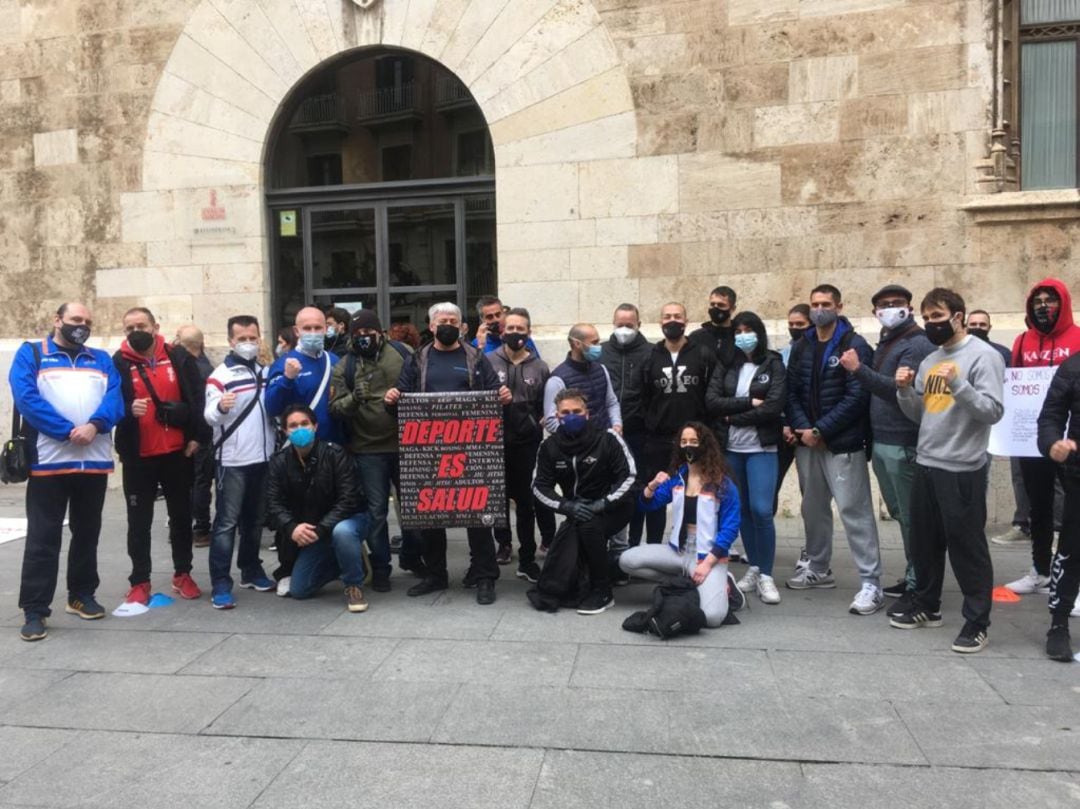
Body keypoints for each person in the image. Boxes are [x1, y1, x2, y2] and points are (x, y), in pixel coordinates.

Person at [892, 288, 1005, 654]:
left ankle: (977, 622)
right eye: (926, 318)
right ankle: (928, 606)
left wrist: (959, 383)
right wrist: (905, 392)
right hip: (927, 462)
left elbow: (992, 411)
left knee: (966, 546)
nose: (931, 325)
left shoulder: (983, 357)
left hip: (962, 468)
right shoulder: (930, 360)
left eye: (938, 317)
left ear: (958, 316)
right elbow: (922, 415)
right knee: (925, 543)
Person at [384, 302, 512, 605]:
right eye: (443, 320)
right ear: (431, 326)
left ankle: (484, 575)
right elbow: (401, 401)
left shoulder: (476, 357)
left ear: (462, 326)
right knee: (431, 512)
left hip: (472, 447)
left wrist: (502, 398)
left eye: (454, 320)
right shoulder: (417, 360)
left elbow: (493, 394)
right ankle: (436, 574)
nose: (448, 324)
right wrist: (391, 400)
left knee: (477, 511)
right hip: (428, 449)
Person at [10, 302, 123, 641]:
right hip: (49, 463)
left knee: (87, 533)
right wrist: (67, 430)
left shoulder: (101, 359)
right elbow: (27, 398)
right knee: (43, 539)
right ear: (57, 320)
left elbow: (116, 398)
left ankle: (82, 595)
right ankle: (34, 610)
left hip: (94, 461)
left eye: (87, 321)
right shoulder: (31, 353)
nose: (82, 325)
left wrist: (94, 425)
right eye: (76, 319)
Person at [784, 284, 884, 615]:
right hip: (807, 444)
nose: (819, 309)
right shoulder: (803, 345)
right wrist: (804, 430)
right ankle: (818, 567)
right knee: (813, 508)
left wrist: (821, 430)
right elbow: (792, 391)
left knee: (854, 511)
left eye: (826, 303)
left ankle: (871, 582)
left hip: (842, 443)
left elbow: (857, 396)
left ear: (839, 306)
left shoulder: (854, 345)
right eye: (814, 304)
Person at [839, 285, 934, 615]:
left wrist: (857, 370)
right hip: (883, 440)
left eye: (896, 304)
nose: (890, 309)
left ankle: (919, 583)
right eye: (883, 305)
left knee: (912, 518)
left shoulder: (916, 343)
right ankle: (913, 576)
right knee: (901, 514)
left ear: (909, 307)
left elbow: (897, 391)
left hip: (904, 441)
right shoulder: (887, 341)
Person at [113, 307, 211, 605]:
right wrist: (128, 411)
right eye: (129, 328)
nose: (135, 332)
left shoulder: (179, 357)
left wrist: (196, 436)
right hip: (138, 456)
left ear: (155, 326)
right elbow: (111, 404)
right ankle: (139, 580)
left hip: (177, 453)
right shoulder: (117, 362)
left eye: (141, 325)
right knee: (138, 521)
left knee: (181, 516)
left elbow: (198, 398)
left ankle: (183, 574)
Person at [329, 308, 416, 592]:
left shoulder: (402, 353)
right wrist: (354, 399)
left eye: (369, 333)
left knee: (413, 508)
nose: (364, 338)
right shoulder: (345, 366)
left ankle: (414, 557)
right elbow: (335, 409)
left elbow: (420, 386)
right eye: (359, 334)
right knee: (377, 512)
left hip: (405, 444)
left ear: (380, 332)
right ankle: (381, 568)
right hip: (367, 450)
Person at [620, 422, 739, 627]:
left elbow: (731, 528)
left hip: (708, 555)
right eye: (683, 442)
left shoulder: (722, 483)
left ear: (705, 445)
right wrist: (652, 485)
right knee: (627, 560)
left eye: (694, 441)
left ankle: (726, 585)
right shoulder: (678, 478)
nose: (688, 446)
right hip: (678, 550)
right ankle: (684, 581)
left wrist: (708, 564)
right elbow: (647, 505)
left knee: (711, 618)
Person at [1004, 279, 1080, 594]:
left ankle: (1071, 577)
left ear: (1063, 304)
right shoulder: (1022, 341)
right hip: (1032, 437)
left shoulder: (1077, 338)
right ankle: (1040, 569)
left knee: (1074, 511)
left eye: (1050, 300)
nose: (1043, 306)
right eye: (1038, 301)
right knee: (1038, 506)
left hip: (1071, 439)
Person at [533, 388, 637, 615]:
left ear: (587, 413)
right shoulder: (549, 447)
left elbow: (629, 477)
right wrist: (565, 506)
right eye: (565, 412)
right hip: (576, 509)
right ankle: (587, 578)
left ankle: (603, 591)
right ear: (557, 416)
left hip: (614, 507)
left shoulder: (608, 439)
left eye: (577, 411)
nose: (571, 416)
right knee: (573, 536)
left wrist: (604, 503)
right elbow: (539, 487)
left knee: (589, 526)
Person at [706, 311, 785, 604]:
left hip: (762, 448)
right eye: (737, 330)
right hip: (731, 449)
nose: (742, 335)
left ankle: (767, 574)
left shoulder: (773, 363)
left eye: (748, 329)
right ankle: (753, 567)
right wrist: (747, 404)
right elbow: (712, 402)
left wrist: (731, 417)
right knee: (741, 512)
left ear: (759, 333)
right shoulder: (726, 365)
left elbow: (773, 407)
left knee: (761, 509)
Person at [265, 404, 370, 613]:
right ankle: (350, 560)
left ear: (315, 426)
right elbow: (273, 504)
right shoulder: (279, 462)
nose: (300, 429)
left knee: (343, 532)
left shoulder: (335, 453)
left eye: (305, 423)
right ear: (285, 431)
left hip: (346, 521)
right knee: (299, 590)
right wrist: (292, 528)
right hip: (311, 530)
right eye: (293, 426)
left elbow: (348, 499)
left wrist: (321, 528)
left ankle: (353, 585)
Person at [203, 315, 277, 609]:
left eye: (253, 337)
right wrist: (220, 407)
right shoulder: (220, 375)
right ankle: (221, 582)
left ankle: (251, 569)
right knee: (226, 523)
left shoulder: (266, 370)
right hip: (232, 460)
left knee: (255, 520)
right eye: (242, 338)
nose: (248, 343)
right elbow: (208, 415)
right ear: (231, 341)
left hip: (263, 457)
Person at [639, 302, 716, 543]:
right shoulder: (650, 357)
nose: (672, 321)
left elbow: (711, 394)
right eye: (667, 316)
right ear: (660, 321)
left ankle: (694, 546)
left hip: (694, 441)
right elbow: (642, 396)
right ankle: (653, 546)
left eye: (677, 316)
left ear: (686, 320)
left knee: (696, 493)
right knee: (659, 492)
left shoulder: (702, 354)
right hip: (659, 439)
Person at [487, 308, 550, 580]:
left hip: (527, 444)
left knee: (526, 503)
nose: (515, 333)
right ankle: (503, 543)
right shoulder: (487, 361)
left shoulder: (540, 366)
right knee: (497, 500)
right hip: (494, 443)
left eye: (520, 329)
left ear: (529, 332)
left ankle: (527, 557)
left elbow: (544, 406)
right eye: (510, 328)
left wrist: (541, 421)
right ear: (503, 332)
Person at [1036, 350, 1080, 660]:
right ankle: (1059, 624)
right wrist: (1052, 443)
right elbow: (1050, 414)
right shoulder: (1074, 366)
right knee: (1072, 549)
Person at [600, 303, 653, 553]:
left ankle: (632, 545)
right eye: (620, 324)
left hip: (638, 432)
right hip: (607, 435)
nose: (624, 329)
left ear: (638, 325)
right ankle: (607, 544)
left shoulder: (652, 353)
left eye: (629, 325)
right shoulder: (600, 352)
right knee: (607, 487)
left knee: (635, 488)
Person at [266, 306, 342, 443]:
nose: (313, 333)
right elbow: (272, 407)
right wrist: (287, 379)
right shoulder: (283, 364)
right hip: (301, 448)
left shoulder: (334, 360)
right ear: (296, 331)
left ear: (325, 329)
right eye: (307, 328)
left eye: (318, 328)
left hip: (334, 448)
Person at [175, 324, 215, 548]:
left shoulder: (185, 366)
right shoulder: (205, 367)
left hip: (195, 433)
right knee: (199, 482)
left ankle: (195, 527)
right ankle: (199, 528)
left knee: (195, 482)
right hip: (202, 433)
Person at [543, 323, 622, 433]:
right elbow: (551, 421)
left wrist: (617, 425)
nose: (599, 346)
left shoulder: (601, 369)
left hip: (605, 440)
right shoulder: (557, 380)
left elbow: (611, 403)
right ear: (577, 344)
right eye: (594, 342)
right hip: (577, 446)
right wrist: (575, 438)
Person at [778, 304, 811, 522]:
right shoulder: (782, 354)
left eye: (800, 324)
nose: (795, 328)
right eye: (791, 324)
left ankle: (813, 546)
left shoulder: (815, 352)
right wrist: (784, 424)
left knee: (810, 493)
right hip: (783, 430)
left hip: (808, 430)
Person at [689, 285, 738, 370]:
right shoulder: (696, 337)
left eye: (721, 305)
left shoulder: (739, 335)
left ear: (732, 309)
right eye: (712, 304)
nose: (715, 308)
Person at [472, 295, 539, 355]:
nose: (496, 319)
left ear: (503, 313)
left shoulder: (520, 336)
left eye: (498, 315)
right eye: (490, 317)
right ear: (482, 319)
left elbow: (536, 364)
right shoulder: (477, 343)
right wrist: (481, 346)